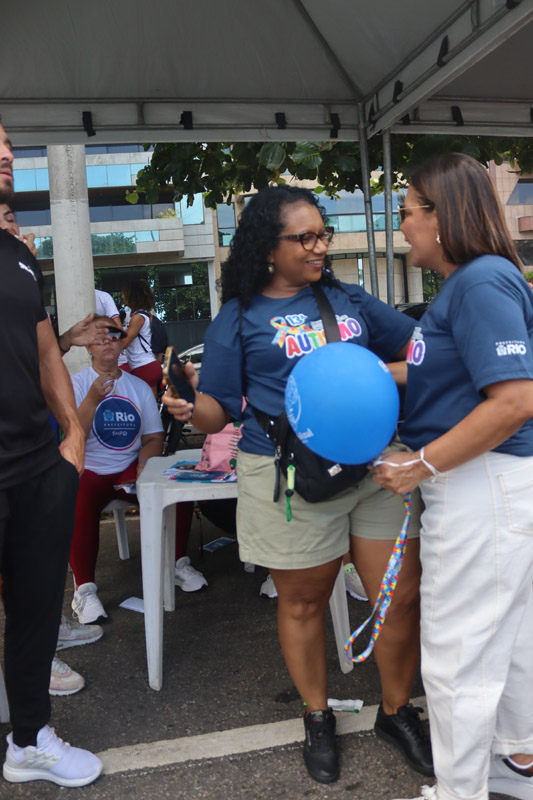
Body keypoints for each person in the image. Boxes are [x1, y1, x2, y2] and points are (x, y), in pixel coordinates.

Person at [163, 185, 431, 784]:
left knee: (397, 595)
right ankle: (316, 716)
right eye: (304, 237)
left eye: (323, 234)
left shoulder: (347, 299)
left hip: (373, 469)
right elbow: (220, 410)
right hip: (289, 477)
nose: (319, 247)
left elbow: (419, 350)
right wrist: (191, 410)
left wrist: (401, 369)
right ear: (266, 247)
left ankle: (396, 710)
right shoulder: (239, 316)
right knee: (304, 600)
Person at [372, 153, 533, 800]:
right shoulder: (471, 283)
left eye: (406, 213)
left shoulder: (478, 283)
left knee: (458, 651)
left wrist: (419, 464)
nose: (401, 228)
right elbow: (452, 373)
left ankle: (458, 789)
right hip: (485, 485)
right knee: (506, 634)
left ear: (441, 218)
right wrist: (373, 375)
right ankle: (512, 761)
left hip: (479, 485)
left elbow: (514, 400)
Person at [0, 124, 102, 786]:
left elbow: (43, 351)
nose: (8, 155)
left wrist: (71, 436)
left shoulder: (16, 252)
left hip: (38, 465)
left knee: (37, 610)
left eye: (8, 144)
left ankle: (30, 738)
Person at [68, 316, 165, 621]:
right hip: (93, 470)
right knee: (78, 493)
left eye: (114, 336)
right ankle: (84, 591)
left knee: (172, 489)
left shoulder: (137, 386)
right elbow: (75, 438)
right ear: (88, 348)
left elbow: (153, 437)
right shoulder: (76, 384)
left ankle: (177, 564)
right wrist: (92, 401)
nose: (108, 341)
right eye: (100, 337)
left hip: (130, 468)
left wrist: (144, 465)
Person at [120, 278, 163, 395]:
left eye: (125, 293)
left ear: (132, 296)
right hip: (147, 366)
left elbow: (124, 342)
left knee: (145, 410)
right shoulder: (144, 315)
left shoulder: (137, 318)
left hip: (143, 367)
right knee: (150, 408)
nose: (123, 296)